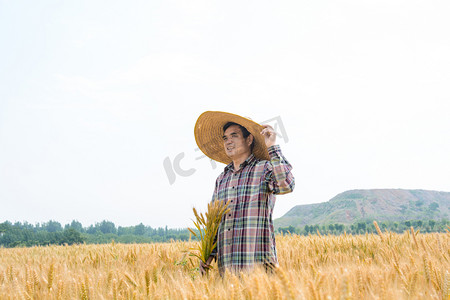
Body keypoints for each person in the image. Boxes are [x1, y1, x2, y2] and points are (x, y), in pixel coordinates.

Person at [194, 111, 295, 275]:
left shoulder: (264, 169)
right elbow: (214, 221)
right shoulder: (222, 179)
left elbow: (286, 185)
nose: (228, 141)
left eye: (234, 136)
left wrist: (272, 147)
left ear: (249, 140)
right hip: (227, 272)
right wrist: (207, 255)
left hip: (258, 271)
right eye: (225, 138)